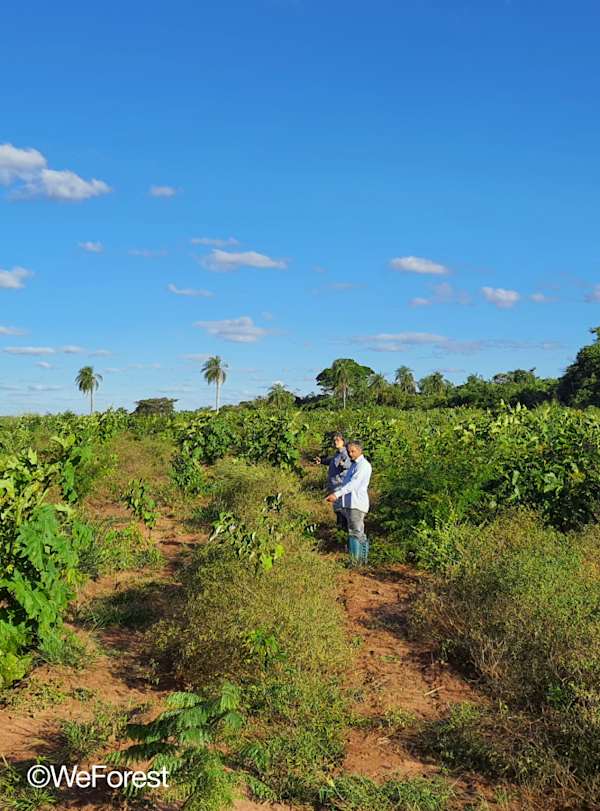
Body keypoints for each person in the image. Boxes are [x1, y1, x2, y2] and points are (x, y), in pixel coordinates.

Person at [326, 440, 372, 564]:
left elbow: (353, 484)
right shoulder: (354, 465)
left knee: (355, 532)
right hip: (351, 503)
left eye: (353, 451)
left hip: (357, 503)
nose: (350, 454)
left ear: (360, 450)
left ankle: (356, 562)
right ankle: (361, 561)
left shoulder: (363, 465)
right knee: (357, 532)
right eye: (349, 451)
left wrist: (336, 495)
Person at [315, 432, 352, 531]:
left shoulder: (345, 453)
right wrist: (322, 461)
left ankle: (343, 530)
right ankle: (341, 529)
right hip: (335, 485)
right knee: (338, 508)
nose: (336, 442)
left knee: (341, 509)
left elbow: (348, 465)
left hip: (341, 485)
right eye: (335, 440)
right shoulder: (337, 453)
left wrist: (343, 465)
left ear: (343, 442)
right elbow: (331, 461)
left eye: (338, 440)